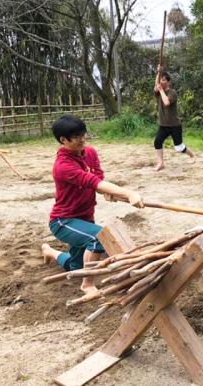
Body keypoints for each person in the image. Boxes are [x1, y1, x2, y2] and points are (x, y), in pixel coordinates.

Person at [41, 115, 145, 294]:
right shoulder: (63, 166)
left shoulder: (90, 153)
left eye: (83, 135)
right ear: (63, 140)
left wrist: (108, 192)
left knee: (76, 267)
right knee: (98, 238)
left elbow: (97, 179)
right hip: (64, 221)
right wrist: (128, 193)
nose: (82, 140)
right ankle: (87, 284)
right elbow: (91, 181)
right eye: (77, 138)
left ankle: (49, 251)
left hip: (85, 218)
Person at [153, 65, 196, 171]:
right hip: (163, 125)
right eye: (160, 80)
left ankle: (192, 155)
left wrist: (161, 91)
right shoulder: (159, 92)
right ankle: (161, 163)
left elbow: (166, 102)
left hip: (174, 125)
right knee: (157, 142)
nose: (160, 82)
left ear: (168, 82)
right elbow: (156, 85)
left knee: (179, 147)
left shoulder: (172, 93)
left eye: (163, 80)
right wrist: (159, 72)